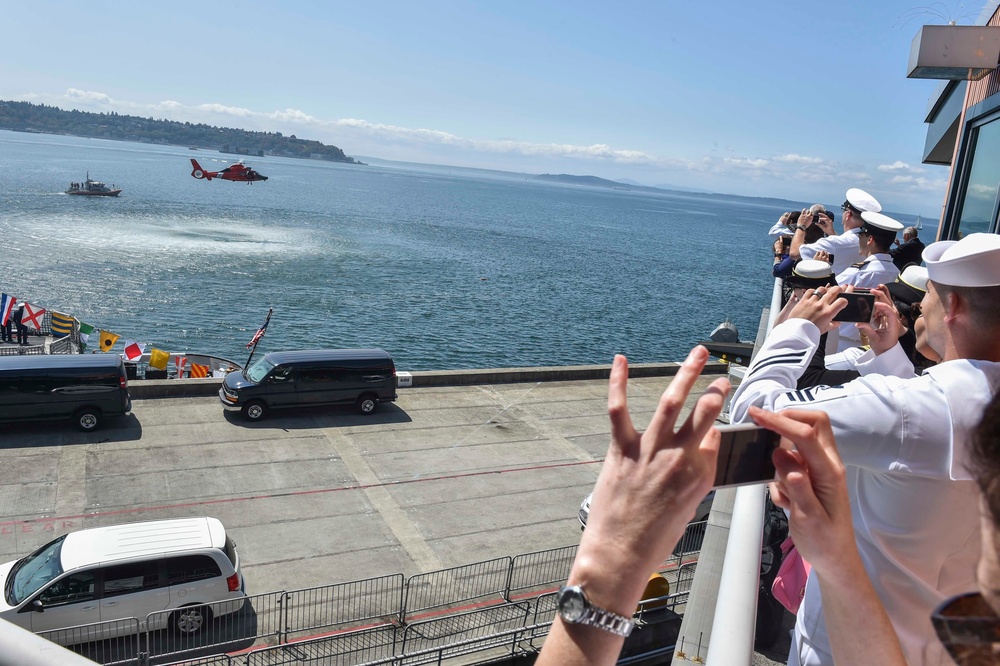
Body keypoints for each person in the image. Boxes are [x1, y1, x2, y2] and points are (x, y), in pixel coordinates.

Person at [729, 232, 1000, 666]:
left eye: (929, 294)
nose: (919, 308)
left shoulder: (903, 408)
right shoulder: (933, 408)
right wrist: (889, 355)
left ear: (954, 308)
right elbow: (929, 429)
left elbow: (754, 420)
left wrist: (796, 329)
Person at [830, 210, 902, 352]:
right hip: (880, 347)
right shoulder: (898, 273)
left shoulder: (856, 273)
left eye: (860, 236)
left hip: (844, 345)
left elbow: (828, 296)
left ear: (869, 240)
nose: (858, 240)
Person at [791, 188, 880, 275]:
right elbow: (843, 247)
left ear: (848, 214)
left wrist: (801, 226)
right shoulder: (872, 242)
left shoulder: (834, 243)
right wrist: (831, 233)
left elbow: (795, 253)